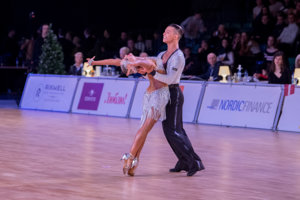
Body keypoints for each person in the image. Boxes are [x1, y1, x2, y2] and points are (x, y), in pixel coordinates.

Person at [87, 53, 169, 177]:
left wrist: (94, 63)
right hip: (157, 96)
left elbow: (113, 61)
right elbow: (149, 64)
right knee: (144, 129)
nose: (125, 56)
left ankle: (134, 162)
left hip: (152, 95)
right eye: (126, 58)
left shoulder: (139, 62)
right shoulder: (144, 63)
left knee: (144, 130)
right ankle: (130, 158)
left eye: (125, 58)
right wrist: (134, 62)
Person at [138, 24, 205, 176]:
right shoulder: (162, 53)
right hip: (163, 94)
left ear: (176, 36)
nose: (164, 33)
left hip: (173, 94)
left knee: (174, 131)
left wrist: (153, 73)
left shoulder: (179, 56)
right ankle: (183, 160)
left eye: (168, 32)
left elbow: (170, 79)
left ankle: (194, 163)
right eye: (164, 31)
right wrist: (142, 70)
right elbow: (152, 69)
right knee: (172, 131)